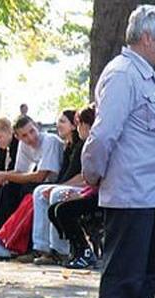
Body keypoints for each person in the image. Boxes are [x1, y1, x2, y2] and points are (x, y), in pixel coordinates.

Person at [81, 4, 155, 298]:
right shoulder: (122, 74)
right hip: (130, 192)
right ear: (148, 37)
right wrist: (92, 175)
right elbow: (103, 135)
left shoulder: (144, 75)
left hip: (149, 193)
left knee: (145, 273)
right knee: (124, 272)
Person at [30, 109, 87, 265]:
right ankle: (42, 247)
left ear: (74, 126)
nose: (58, 125)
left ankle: (60, 249)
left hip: (83, 187)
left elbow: (83, 176)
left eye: (63, 121)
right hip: (70, 185)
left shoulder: (82, 146)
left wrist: (59, 186)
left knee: (55, 193)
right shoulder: (68, 147)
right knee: (39, 192)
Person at [48, 104, 100, 269]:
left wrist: (82, 195)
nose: (78, 129)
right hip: (92, 192)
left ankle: (85, 252)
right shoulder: (86, 146)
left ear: (86, 125)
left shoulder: (96, 146)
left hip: (103, 196)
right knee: (54, 209)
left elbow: (97, 179)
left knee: (63, 210)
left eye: (79, 125)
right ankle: (76, 248)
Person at [0, 116, 64, 232]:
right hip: (43, 183)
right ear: (17, 137)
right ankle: (3, 232)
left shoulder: (50, 140)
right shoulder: (23, 145)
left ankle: (14, 234)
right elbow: (20, 171)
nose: (31, 138)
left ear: (36, 126)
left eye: (32, 131)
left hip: (60, 181)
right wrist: (1, 176)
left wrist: (4, 176)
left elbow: (40, 176)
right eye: (24, 136)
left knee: (28, 190)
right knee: (8, 188)